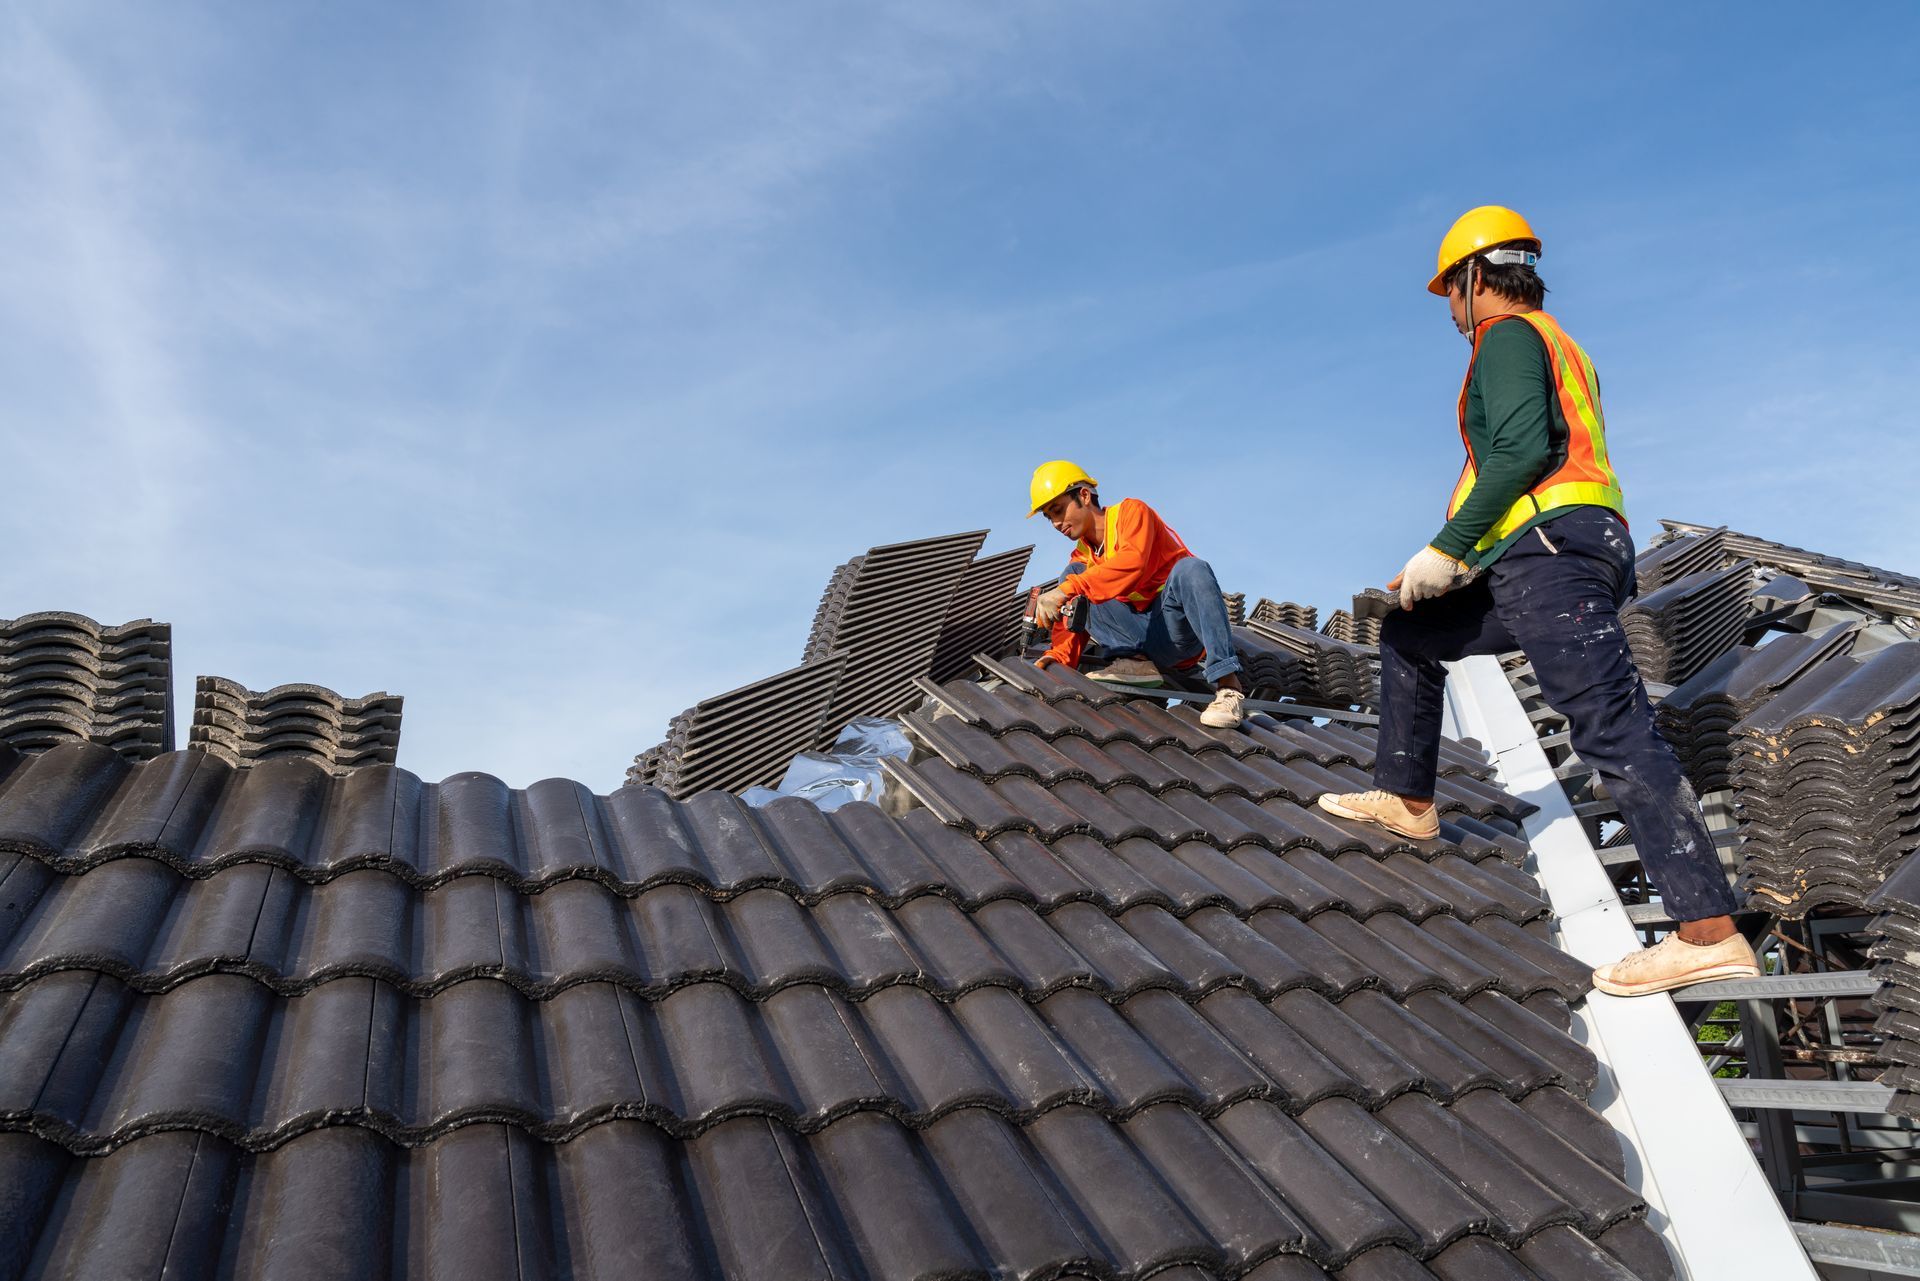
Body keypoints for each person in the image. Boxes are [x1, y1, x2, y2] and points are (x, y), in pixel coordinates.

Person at [1315, 206, 1759, 996]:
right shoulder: (1561, 345)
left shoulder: (1508, 336)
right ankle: (1410, 797)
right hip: (1551, 553)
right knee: (1412, 636)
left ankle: (1707, 931)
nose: (1451, 311)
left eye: (1451, 292)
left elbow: (1519, 451)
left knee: (1612, 728)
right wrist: (1456, 560)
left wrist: (1449, 547)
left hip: (1551, 557)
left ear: (1476, 278)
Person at [1026, 460, 1248, 730]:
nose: (1056, 523)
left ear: (1084, 495)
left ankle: (1228, 687)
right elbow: (1076, 612)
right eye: (1049, 517)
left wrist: (1065, 590)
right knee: (1074, 574)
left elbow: (1133, 562)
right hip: (1137, 639)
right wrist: (1055, 661)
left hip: (1174, 633)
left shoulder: (1131, 513)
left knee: (1192, 568)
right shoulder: (1082, 556)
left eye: (1058, 510)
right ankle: (1134, 664)